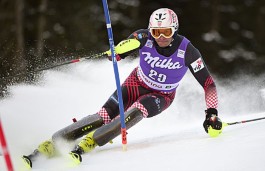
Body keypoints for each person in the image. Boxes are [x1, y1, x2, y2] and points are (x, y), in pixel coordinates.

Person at [22, 8, 223, 168]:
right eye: (156, 32)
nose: (161, 37)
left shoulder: (188, 51)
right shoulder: (144, 38)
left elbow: (208, 83)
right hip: (135, 83)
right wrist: (116, 52)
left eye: (166, 32)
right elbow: (125, 47)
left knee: (136, 111)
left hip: (161, 95)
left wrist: (211, 113)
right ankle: (52, 143)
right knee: (102, 116)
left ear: (175, 30)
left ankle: (91, 142)